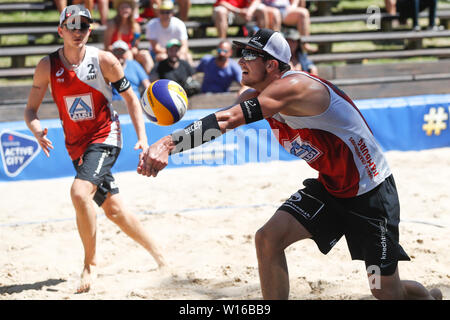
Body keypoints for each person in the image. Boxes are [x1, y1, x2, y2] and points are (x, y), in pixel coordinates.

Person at [137, 29, 443, 300]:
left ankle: (428, 297)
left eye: (249, 54)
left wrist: (166, 144)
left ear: (271, 65)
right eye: (240, 52)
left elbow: (228, 119)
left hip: (370, 193)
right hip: (332, 187)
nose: (240, 59)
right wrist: (171, 147)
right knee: (268, 239)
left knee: (386, 292)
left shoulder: (294, 86)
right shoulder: (256, 93)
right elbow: (220, 123)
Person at [24, 5, 166, 293]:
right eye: (72, 26)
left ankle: (90, 264)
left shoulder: (105, 60)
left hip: (105, 135)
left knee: (79, 193)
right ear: (60, 30)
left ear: (90, 30)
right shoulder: (47, 66)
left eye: (84, 26)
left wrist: (141, 136)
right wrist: (36, 129)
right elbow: (30, 110)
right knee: (114, 209)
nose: (78, 31)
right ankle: (161, 256)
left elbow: (131, 99)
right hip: (76, 145)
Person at [104, 0, 154, 74]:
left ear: (131, 10)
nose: (125, 10)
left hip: (129, 51)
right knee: (128, 54)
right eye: (122, 7)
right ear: (118, 9)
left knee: (145, 54)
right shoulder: (112, 24)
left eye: (127, 7)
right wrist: (119, 51)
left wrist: (134, 49)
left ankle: (150, 80)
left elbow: (135, 45)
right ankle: (128, 79)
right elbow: (107, 46)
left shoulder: (135, 26)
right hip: (115, 52)